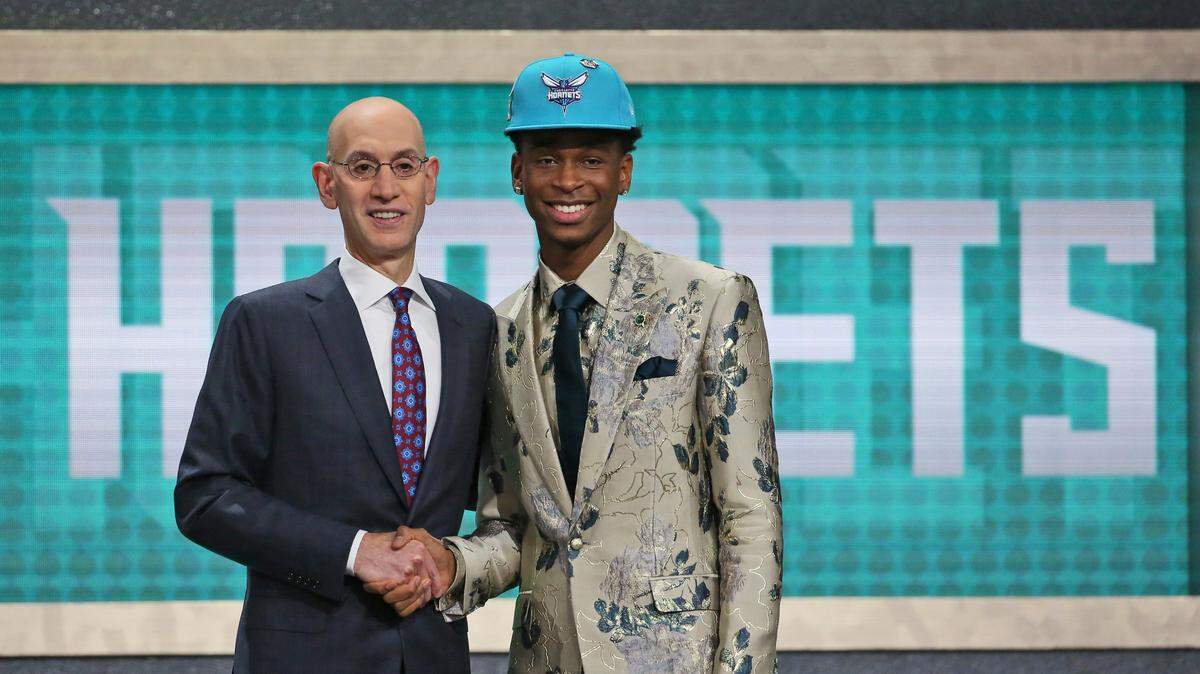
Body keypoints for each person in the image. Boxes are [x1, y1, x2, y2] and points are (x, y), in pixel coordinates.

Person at [379, 54, 783, 673]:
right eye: (547, 159)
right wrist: (453, 564)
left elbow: (750, 517)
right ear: (518, 172)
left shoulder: (709, 300)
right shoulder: (499, 331)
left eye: (591, 159)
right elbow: (514, 527)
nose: (568, 179)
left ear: (624, 172)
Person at [174, 97, 494, 674]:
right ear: (327, 185)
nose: (385, 188)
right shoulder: (266, 322)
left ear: (430, 180)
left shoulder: (475, 326)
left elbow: (498, 497)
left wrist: (448, 559)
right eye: (362, 167)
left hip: (433, 656)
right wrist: (353, 552)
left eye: (404, 166)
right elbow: (207, 496)